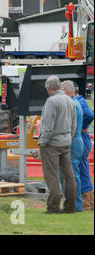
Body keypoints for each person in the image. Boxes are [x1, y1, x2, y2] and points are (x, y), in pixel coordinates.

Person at [38, 76, 77, 214]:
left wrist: (42, 143)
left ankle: (53, 207)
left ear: (49, 88)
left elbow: (48, 127)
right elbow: (73, 125)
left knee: (52, 176)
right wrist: (68, 138)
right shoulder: (70, 100)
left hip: (51, 144)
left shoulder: (51, 102)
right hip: (66, 143)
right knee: (69, 175)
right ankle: (70, 206)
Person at [61, 80, 84, 212]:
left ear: (65, 91)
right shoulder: (77, 103)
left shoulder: (72, 106)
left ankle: (75, 204)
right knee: (73, 174)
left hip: (72, 142)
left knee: (72, 175)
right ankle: (74, 203)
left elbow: (70, 126)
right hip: (76, 141)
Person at [74, 83, 94, 210]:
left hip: (81, 136)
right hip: (83, 136)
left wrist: (78, 126)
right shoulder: (81, 100)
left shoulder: (79, 102)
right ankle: (89, 201)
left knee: (82, 170)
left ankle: (86, 203)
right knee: (83, 169)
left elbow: (90, 115)